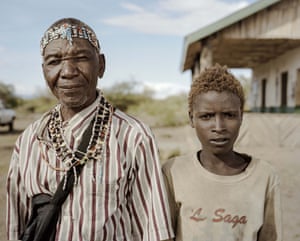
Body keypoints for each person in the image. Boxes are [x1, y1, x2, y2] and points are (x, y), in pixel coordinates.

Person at [6, 17, 174, 241]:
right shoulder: (29, 140)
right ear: (44, 70)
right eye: (54, 61)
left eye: (81, 58)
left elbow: (155, 231)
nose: (67, 71)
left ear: (101, 65)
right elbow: (14, 227)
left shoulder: (133, 136)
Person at [162, 64, 282, 241]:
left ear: (241, 116)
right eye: (206, 116)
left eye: (229, 115)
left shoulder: (264, 176)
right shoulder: (173, 172)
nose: (219, 127)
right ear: (191, 118)